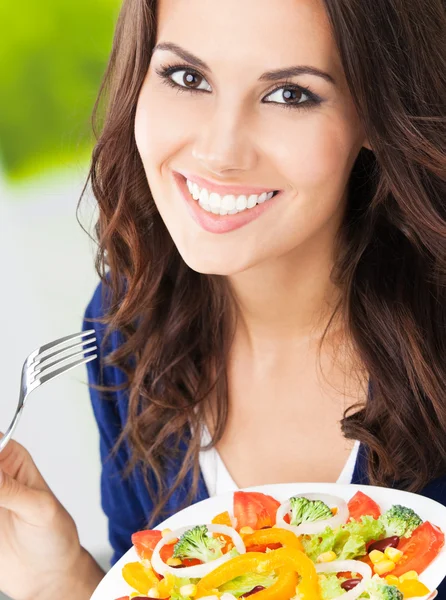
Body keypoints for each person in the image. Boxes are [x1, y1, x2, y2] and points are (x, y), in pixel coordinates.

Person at [1, 0, 446, 598]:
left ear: (373, 110)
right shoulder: (127, 327)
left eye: (290, 94)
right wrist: (56, 575)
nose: (219, 152)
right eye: (187, 78)